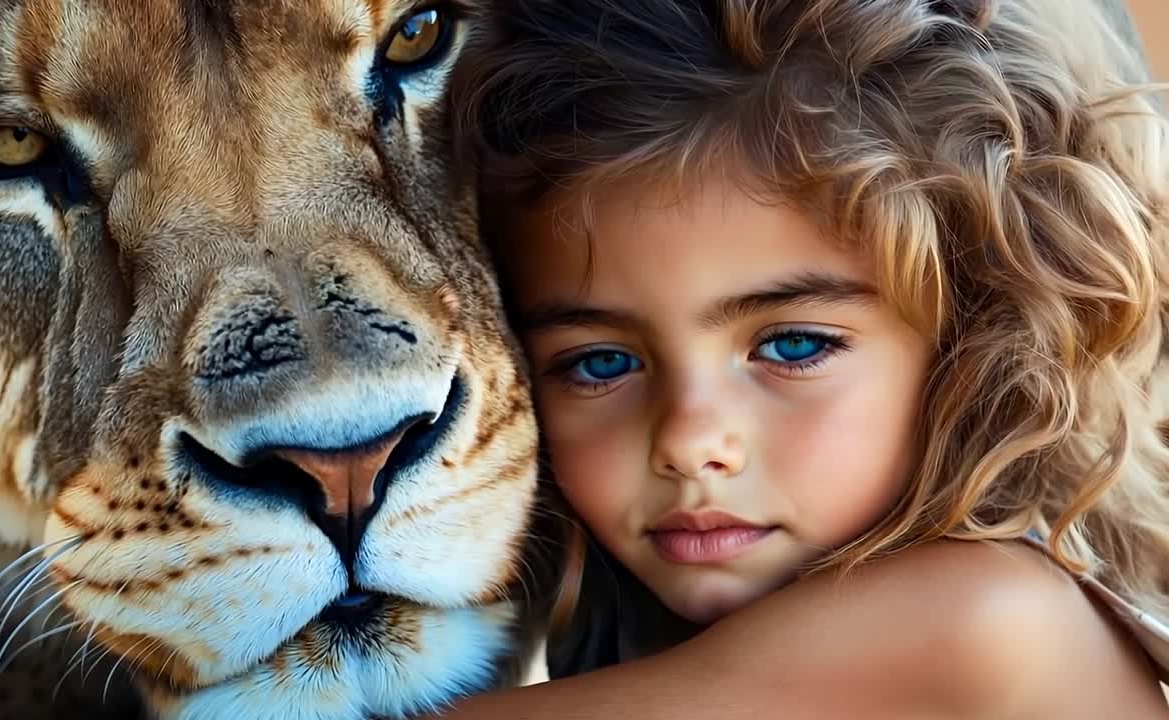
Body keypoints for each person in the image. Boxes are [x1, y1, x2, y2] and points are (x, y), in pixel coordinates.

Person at [436, 0, 1169, 717]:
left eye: (794, 345)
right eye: (599, 364)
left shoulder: (982, 618)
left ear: (973, 342)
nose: (690, 444)